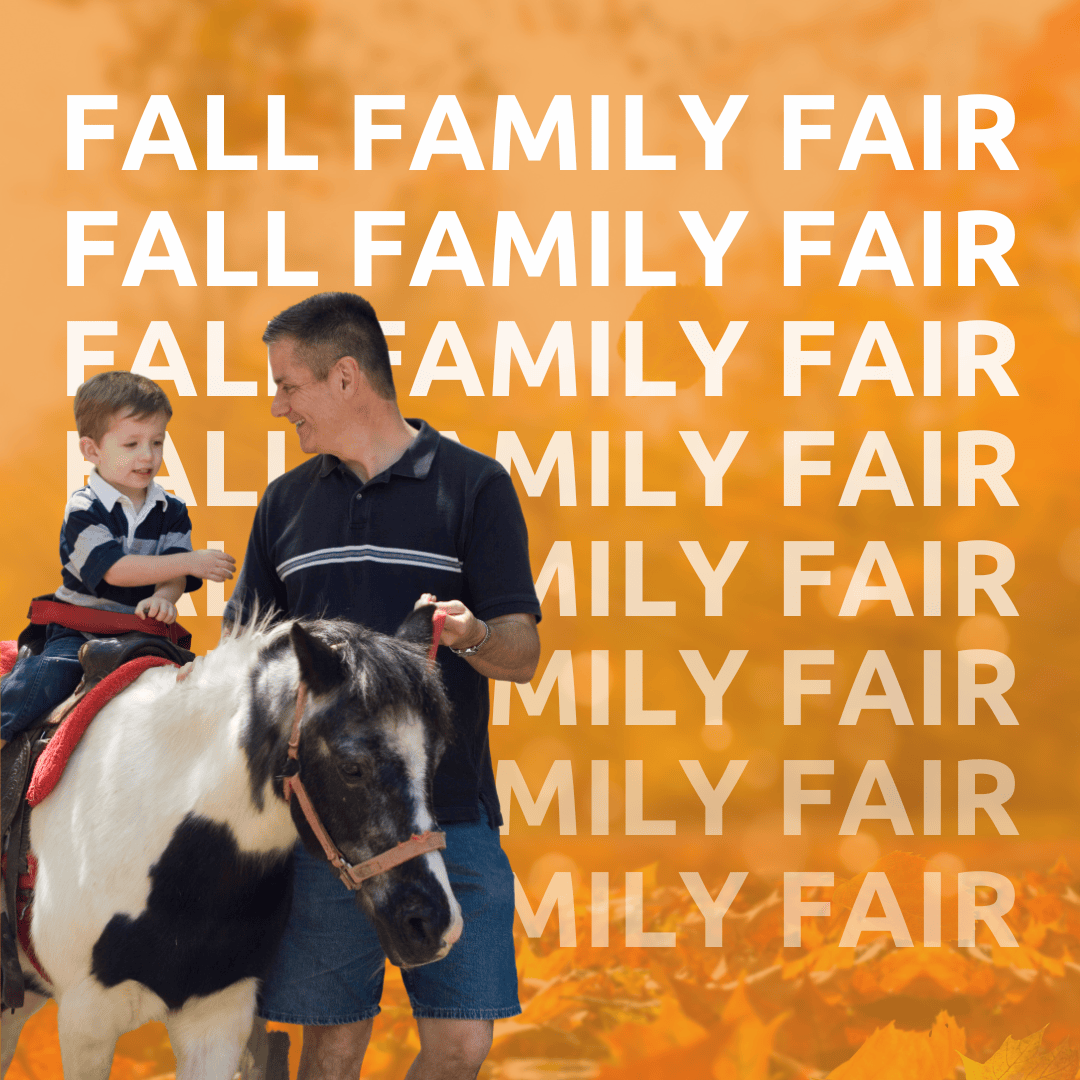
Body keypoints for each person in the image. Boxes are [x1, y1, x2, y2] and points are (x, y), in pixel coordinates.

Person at [224, 291, 541, 1080]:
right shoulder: (285, 504)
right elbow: (241, 658)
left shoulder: (474, 486)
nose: (277, 405)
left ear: (344, 377)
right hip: (326, 830)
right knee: (331, 1044)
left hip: (452, 814)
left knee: (462, 1041)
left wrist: (470, 637)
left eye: (288, 385)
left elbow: (523, 650)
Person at [0, 371, 236, 748]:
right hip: (82, 626)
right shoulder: (84, 508)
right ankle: (4, 726)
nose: (148, 456)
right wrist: (190, 563)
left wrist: (165, 597)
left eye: (157, 442)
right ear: (92, 450)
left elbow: (173, 570)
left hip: (140, 630)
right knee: (51, 675)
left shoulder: (170, 509)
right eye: (132, 443)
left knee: (190, 682)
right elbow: (115, 570)